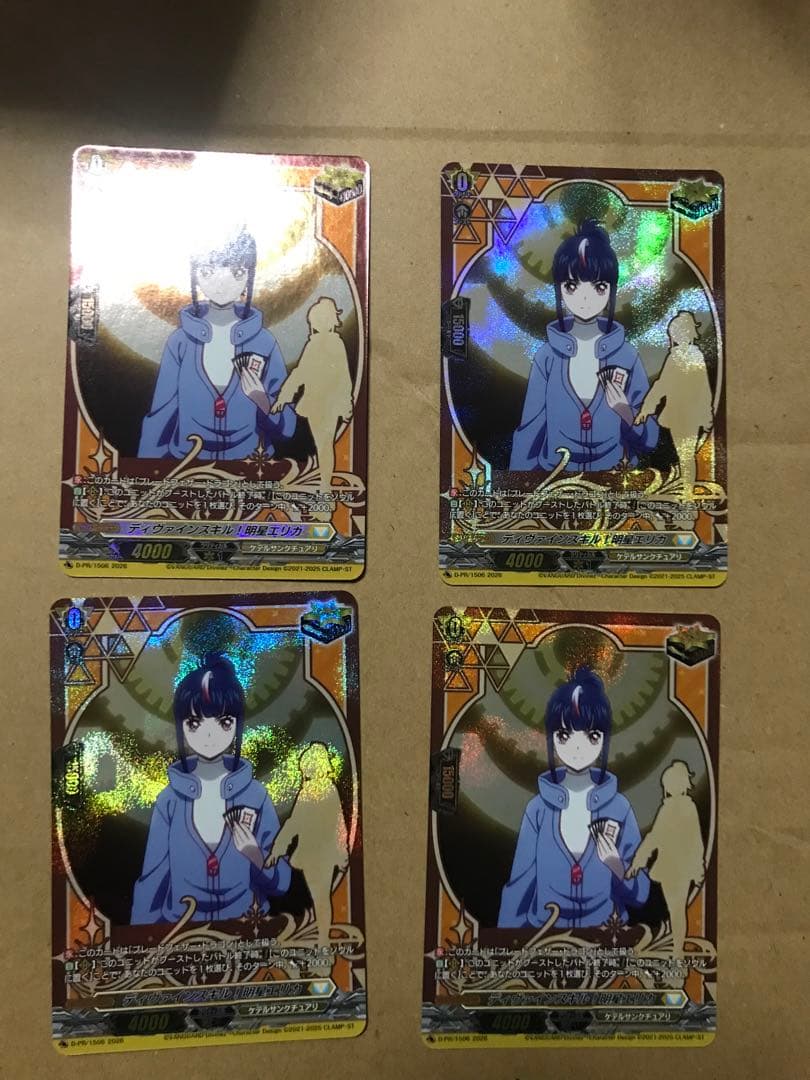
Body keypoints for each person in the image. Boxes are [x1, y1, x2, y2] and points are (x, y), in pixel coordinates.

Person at [130, 653, 291, 924]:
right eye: (194, 723)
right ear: (180, 726)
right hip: (182, 932)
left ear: (237, 725)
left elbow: (282, 882)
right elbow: (154, 879)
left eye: (223, 722)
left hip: (247, 932)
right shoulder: (170, 801)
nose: (208, 735)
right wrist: (140, 942)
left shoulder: (256, 795)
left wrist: (255, 855)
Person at [498, 667, 649, 929]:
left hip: (606, 938)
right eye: (564, 735)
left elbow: (641, 893)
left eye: (592, 736)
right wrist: (504, 945)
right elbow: (521, 886)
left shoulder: (619, 808)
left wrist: (616, 865)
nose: (577, 748)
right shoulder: (538, 810)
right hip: (545, 937)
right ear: (551, 739)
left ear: (604, 740)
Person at [509, 219, 659, 473]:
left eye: (599, 287)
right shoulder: (548, 357)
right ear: (559, 289)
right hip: (556, 480)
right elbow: (531, 429)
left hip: (614, 480)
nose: (585, 298)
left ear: (611, 290)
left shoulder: (627, 356)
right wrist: (517, 488)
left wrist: (624, 411)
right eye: (572, 286)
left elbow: (650, 439)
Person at [138, 227, 296, 460]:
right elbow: (162, 415)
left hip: (251, 466)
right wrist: (147, 471)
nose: (222, 283)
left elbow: (288, 427)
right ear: (195, 276)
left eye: (236, 272)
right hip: (187, 464)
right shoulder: (180, 343)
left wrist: (261, 398)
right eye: (208, 271)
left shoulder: (264, 343)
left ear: (249, 277)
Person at [271, 297, 353, 493]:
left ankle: (325, 489)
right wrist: (283, 397)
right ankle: (323, 487)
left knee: (324, 446)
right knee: (322, 445)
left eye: (316, 320)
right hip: (316, 404)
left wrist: (346, 405)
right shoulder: (314, 345)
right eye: (313, 321)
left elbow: (343, 377)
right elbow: (300, 373)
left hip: (328, 404)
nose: (313, 325)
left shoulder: (334, 344)